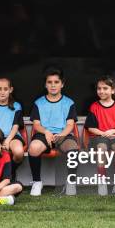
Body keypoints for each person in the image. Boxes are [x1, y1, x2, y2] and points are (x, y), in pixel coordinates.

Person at [28, 67, 79, 196]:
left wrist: (61, 134)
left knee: (73, 148)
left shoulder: (69, 103)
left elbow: (70, 124)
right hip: (44, 134)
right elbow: (36, 124)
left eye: (56, 82)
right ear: (45, 85)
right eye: (50, 82)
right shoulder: (38, 103)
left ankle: (71, 182)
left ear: (62, 84)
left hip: (63, 134)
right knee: (33, 148)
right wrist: (46, 132)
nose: (53, 85)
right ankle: (37, 182)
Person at [84, 76, 115, 196]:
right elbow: (90, 127)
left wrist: (111, 132)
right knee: (101, 148)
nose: (101, 91)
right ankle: (102, 181)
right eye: (99, 88)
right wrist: (103, 133)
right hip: (98, 137)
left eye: (105, 88)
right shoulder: (94, 107)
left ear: (113, 90)